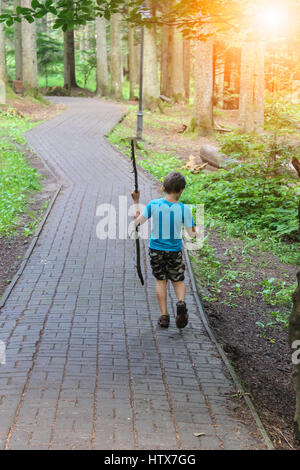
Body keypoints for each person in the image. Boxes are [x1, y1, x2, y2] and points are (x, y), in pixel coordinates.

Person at [131, 171, 197, 329]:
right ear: (181, 190)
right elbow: (192, 235)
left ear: (163, 188)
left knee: (161, 281)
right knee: (178, 279)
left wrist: (136, 201)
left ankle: (164, 316)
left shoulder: (153, 204)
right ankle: (180, 303)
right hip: (174, 250)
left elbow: (137, 222)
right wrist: (195, 228)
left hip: (156, 250)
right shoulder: (184, 209)